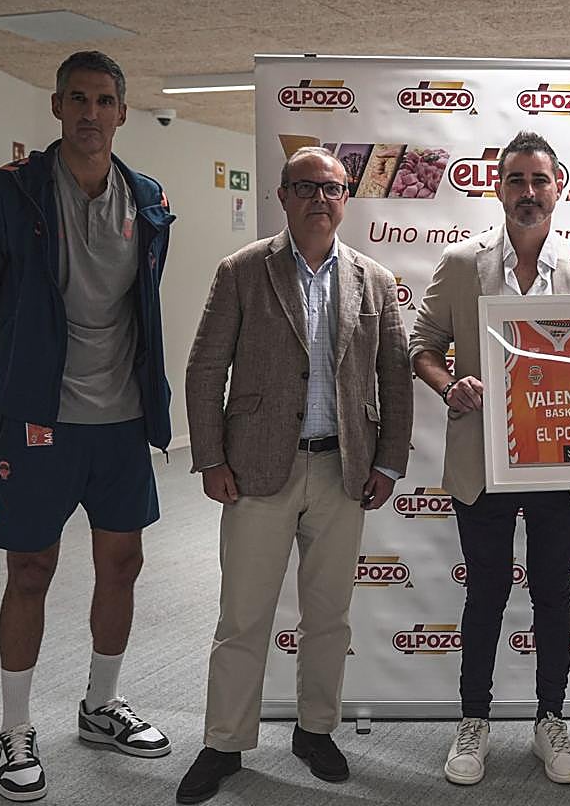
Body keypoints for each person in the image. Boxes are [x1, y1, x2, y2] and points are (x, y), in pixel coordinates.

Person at [0, 50, 174, 803]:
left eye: (104, 100)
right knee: (30, 572)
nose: (90, 112)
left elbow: (140, 306)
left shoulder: (147, 200)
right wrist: (22, 373)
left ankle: (100, 706)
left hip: (119, 424)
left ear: (121, 111)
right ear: (56, 108)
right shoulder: (8, 194)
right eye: (77, 98)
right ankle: (14, 729)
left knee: (122, 567)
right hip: (40, 421)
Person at [177, 147, 413, 804]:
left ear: (345, 200)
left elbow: (393, 375)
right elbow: (204, 370)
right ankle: (224, 742)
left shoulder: (374, 279)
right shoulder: (242, 272)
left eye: (332, 188)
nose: (320, 198)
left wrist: (389, 460)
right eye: (306, 187)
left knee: (329, 617)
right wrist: (210, 457)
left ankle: (315, 731)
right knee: (243, 617)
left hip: (344, 471)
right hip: (256, 473)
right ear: (283, 196)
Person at [409, 130, 570, 787]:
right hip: (485, 463)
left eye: (540, 180)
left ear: (560, 185)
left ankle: (549, 720)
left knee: (555, 596)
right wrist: (451, 385)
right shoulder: (463, 264)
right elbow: (421, 344)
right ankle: (475, 721)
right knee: (487, 596)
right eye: (516, 181)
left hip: (561, 463)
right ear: (497, 188)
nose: (529, 193)